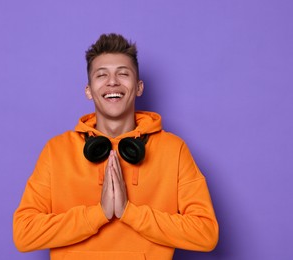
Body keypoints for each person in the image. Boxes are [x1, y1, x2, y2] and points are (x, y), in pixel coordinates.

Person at [13, 33, 219, 259]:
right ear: (89, 90)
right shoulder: (56, 150)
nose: (113, 81)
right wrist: (98, 214)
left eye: (123, 73)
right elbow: (24, 234)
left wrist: (129, 212)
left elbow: (206, 234)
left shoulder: (173, 149)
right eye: (102, 75)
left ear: (139, 87)